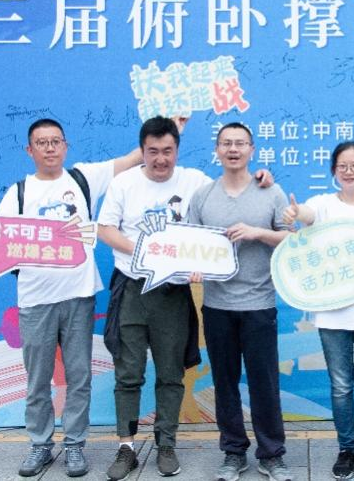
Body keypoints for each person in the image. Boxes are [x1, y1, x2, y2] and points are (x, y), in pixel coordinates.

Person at [0, 118, 143, 478]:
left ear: (66, 146)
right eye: (42, 143)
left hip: (78, 297)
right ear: (30, 150)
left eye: (56, 141)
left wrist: (174, 127)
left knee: (79, 376)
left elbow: (132, 159)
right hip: (35, 299)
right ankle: (40, 444)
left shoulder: (83, 178)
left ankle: (74, 446)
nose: (50, 148)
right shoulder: (19, 192)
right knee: (38, 378)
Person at [97, 116, 275, 480]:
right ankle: (126, 447)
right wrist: (147, 252)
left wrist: (262, 179)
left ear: (177, 150)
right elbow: (105, 229)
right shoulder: (124, 183)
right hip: (132, 287)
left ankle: (166, 444)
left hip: (173, 292)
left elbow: (231, 190)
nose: (160, 159)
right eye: (152, 151)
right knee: (128, 373)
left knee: (171, 373)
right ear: (142, 151)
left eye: (168, 151)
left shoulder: (194, 181)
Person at [282, 141, 354, 481]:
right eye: (342, 166)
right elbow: (307, 214)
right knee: (341, 386)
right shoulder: (324, 204)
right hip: (332, 313)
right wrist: (295, 213)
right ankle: (347, 449)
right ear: (334, 171)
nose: (349, 172)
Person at [186, 122, 293, 481]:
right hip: (217, 305)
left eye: (240, 143)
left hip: (259, 303)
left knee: (265, 383)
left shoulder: (271, 191)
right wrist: (193, 267)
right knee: (224, 382)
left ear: (252, 149)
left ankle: (272, 454)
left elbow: (290, 239)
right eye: (226, 143)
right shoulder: (203, 196)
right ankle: (233, 452)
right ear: (217, 149)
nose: (233, 149)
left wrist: (258, 232)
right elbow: (190, 243)